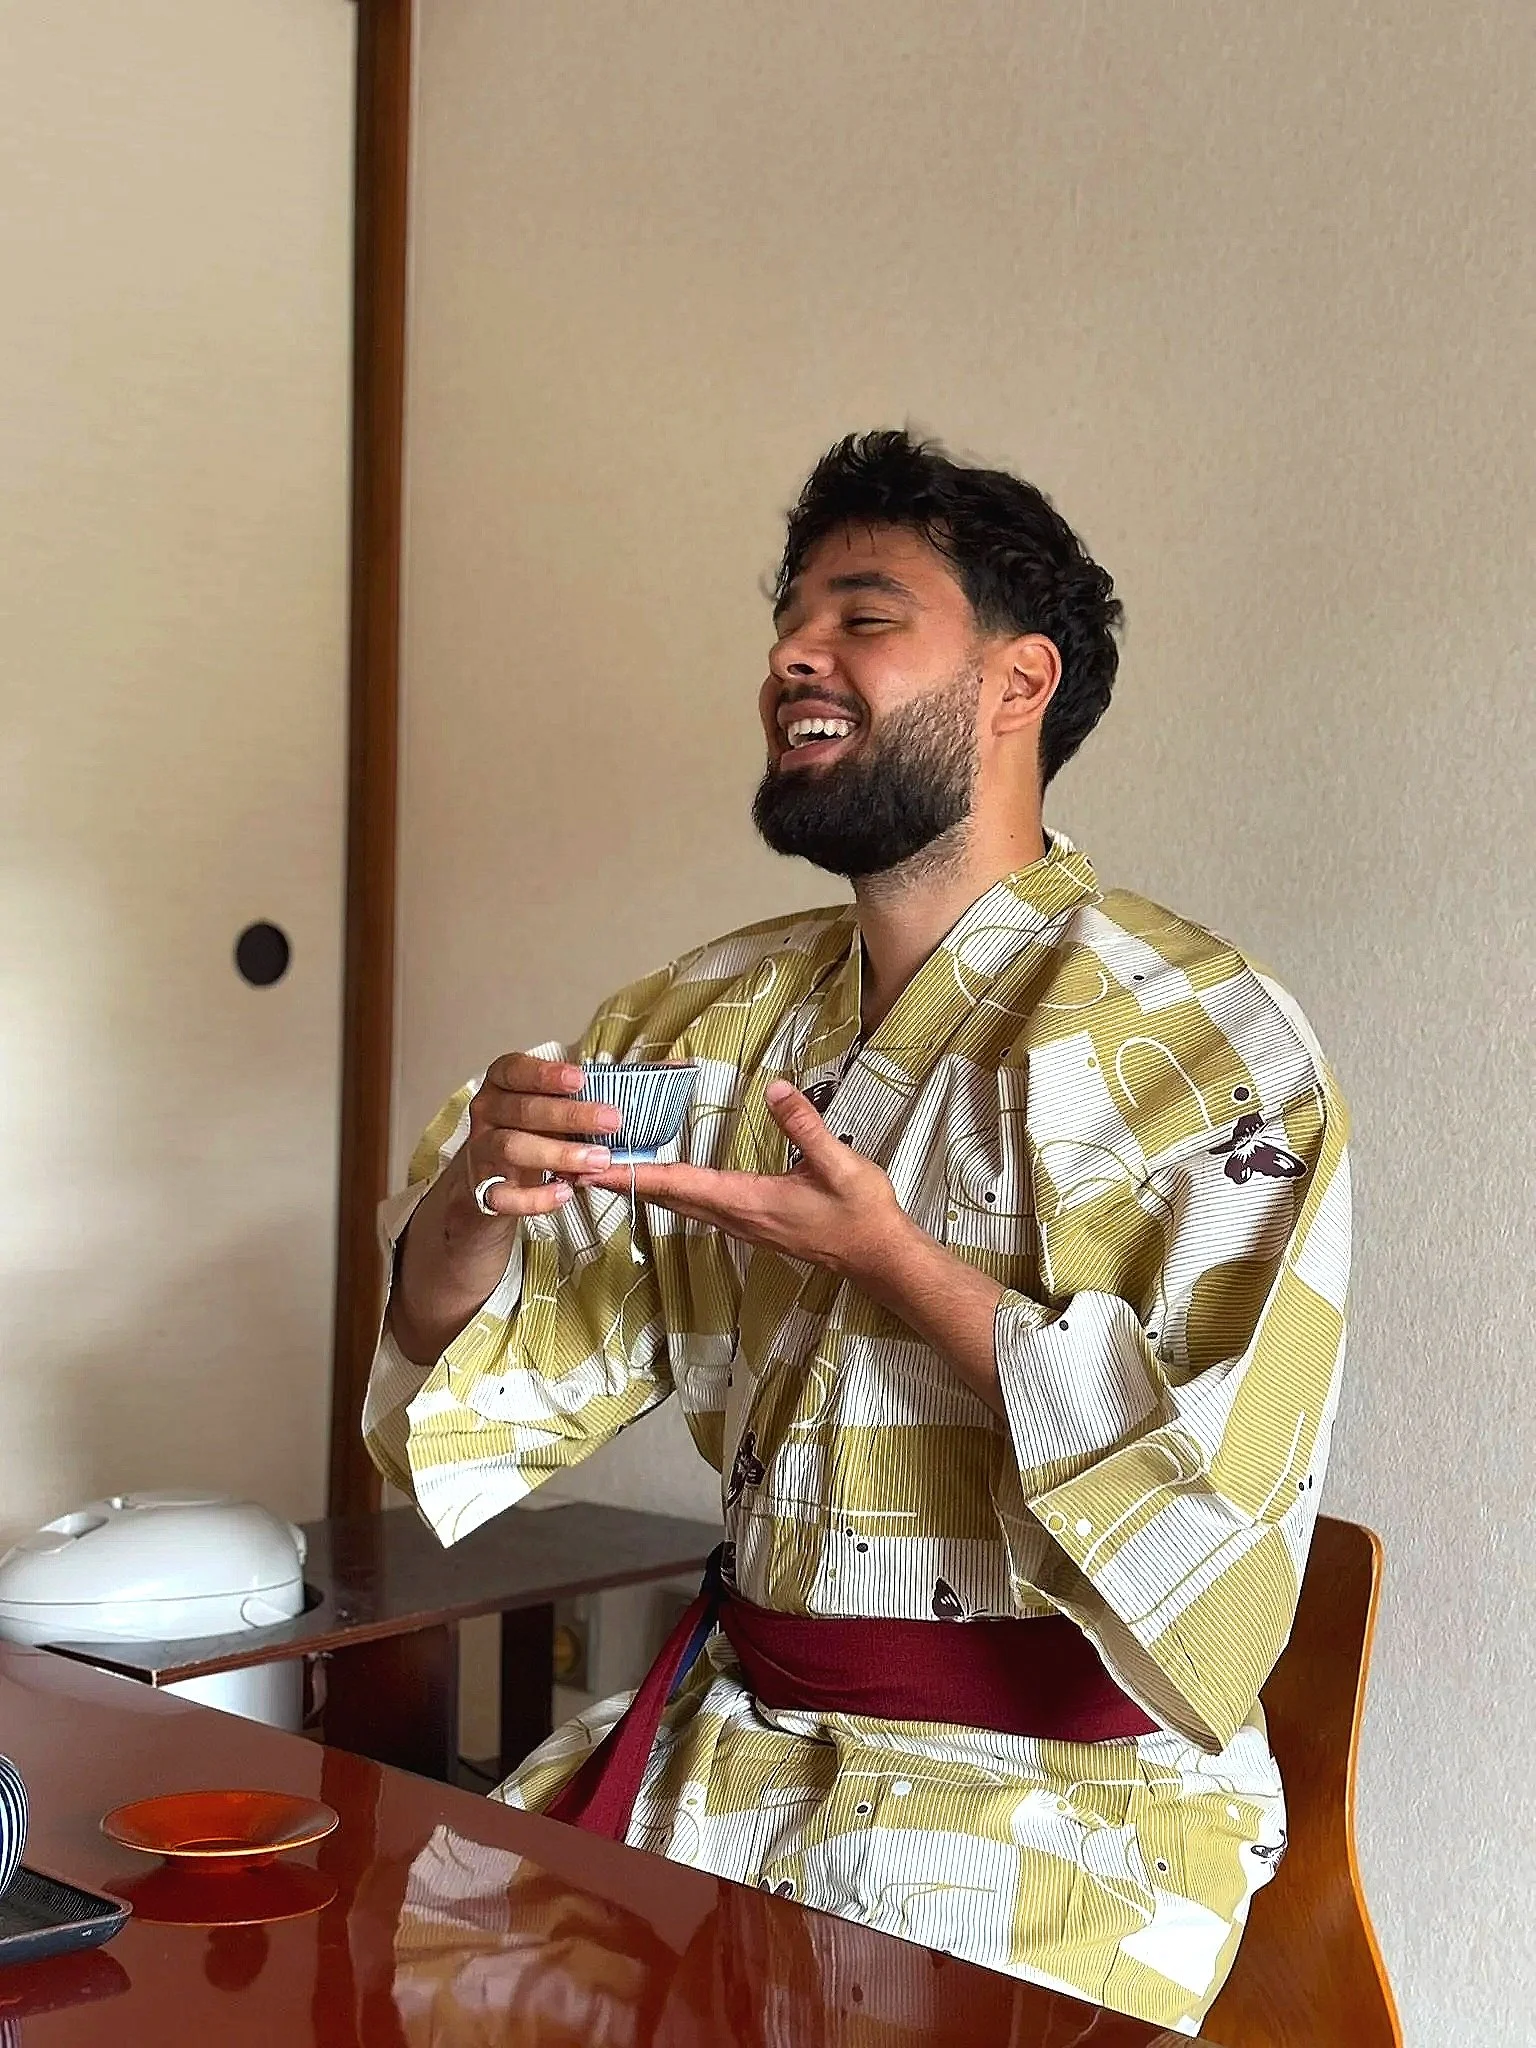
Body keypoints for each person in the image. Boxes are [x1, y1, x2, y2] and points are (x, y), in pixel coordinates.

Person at [364, 430, 1349, 2034]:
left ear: (1020, 682)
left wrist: (895, 1261)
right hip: (739, 1735)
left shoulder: (1200, 1044)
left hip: (1051, 1805)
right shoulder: (708, 1016)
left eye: (862, 613)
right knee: (399, 1987)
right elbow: (476, 1356)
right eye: (786, 619)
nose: (791, 657)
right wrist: (478, 1200)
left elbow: (1216, 1533)